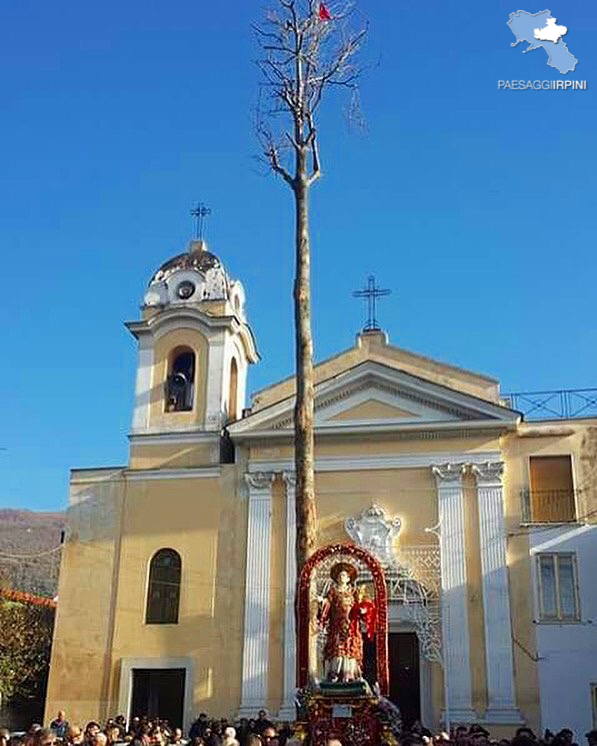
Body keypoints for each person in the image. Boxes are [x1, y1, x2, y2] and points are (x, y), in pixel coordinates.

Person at [320, 562, 363, 682]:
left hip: (350, 627)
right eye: (339, 575)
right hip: (337, 626)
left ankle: (349, 675)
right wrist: (322, 602)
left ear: (348, 578)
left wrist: (363, 610)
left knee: (350, 650)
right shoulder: (333, 592)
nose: (341, 577)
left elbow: (358, 606)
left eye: (344, 575)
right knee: (337, 651)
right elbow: (327, 604)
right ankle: (336, 674)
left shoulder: (354, 592)